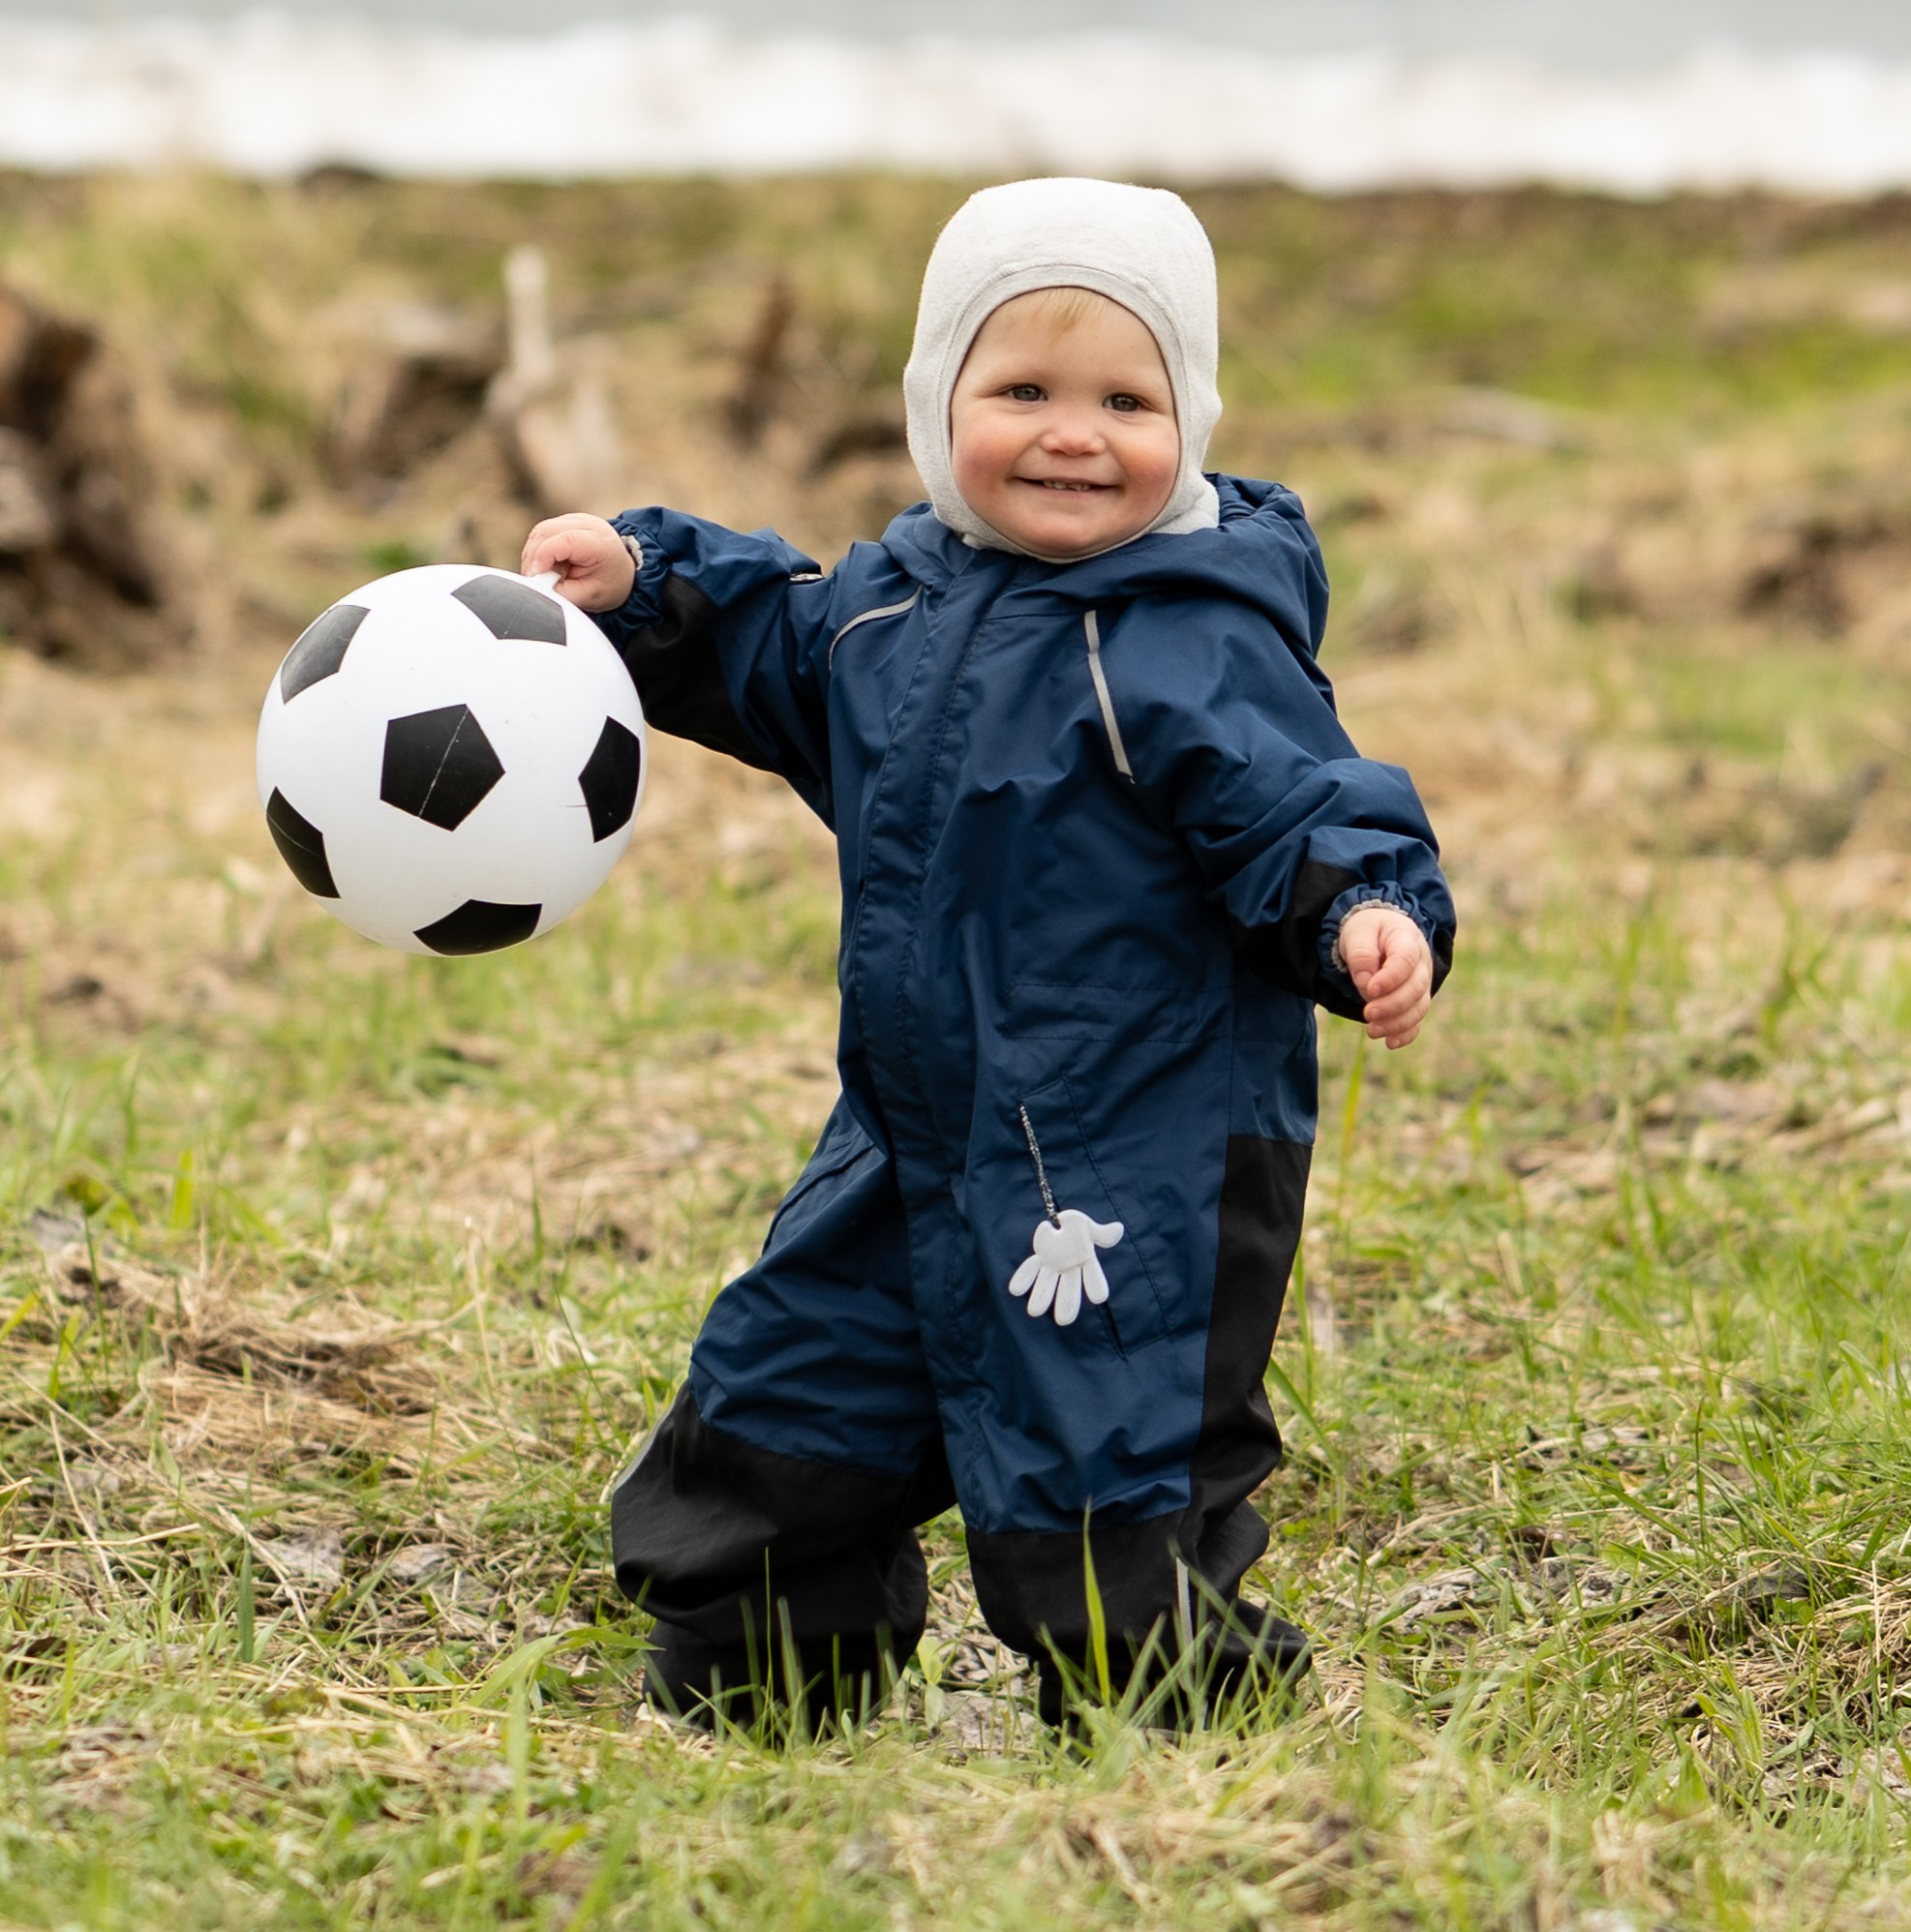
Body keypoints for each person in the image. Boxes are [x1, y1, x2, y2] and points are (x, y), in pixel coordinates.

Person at [521, 177, 1455, 1730]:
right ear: (934, 403)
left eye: (1125, 398)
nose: (1072, 432)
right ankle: (759, 1717)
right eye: (1019, 390)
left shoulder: (1192, 633)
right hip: (907, 1141)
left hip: (1128, 1172)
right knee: (776, 1424)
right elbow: (775, 648)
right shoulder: (894, 607)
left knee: (1105, 1511)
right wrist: (647, 586)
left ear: (1193, 418)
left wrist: (1363, 906)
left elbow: (1293, 799)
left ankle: (1189, 1754)